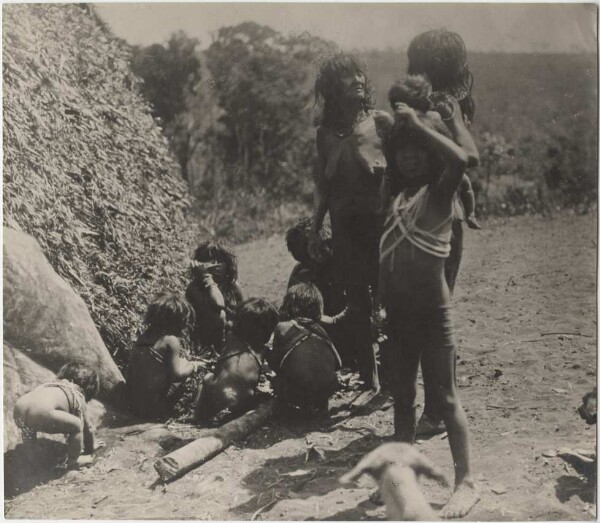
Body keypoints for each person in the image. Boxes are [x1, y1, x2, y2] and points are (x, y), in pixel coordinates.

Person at [379, 98, 479, 518]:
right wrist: (378, 308)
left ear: (432, 151)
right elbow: (383, 257)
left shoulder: (440, 195)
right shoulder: (396, 194)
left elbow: (462, 159)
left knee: (444, 395)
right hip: (398, 315)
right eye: (404, 149)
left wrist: (421, 126)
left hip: (433, 314)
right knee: (403, 398)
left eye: (420, 148)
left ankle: (466, 482)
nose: (412, 156)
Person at [404, 29, 481, 436]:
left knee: (422, 310)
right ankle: (436, 406)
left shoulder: (419, 107)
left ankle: (433, 406)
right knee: (438, 308)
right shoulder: (450, 109)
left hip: (415, 217)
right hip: (442, 218)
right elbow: (466, 161)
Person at [308, 53, 394, 392]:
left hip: (380, 224)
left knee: (387, 303)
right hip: (345, 229)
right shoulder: (324, 134)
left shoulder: (380, 122)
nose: (358, 80)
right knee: (357, 304)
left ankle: (392, 378)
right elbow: (323, 186)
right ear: (332, 87)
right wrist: (316, 228)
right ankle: (369, 377)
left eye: (360, 74)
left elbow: (405, 165)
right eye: (348, 76)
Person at [194, 298, 279, 422]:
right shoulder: (261, 350)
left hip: (216, 398)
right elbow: (275, 367)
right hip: (240, 402)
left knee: (208, 378)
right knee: (264, 396)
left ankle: (195, 413)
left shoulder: (230, 340)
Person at [267, 283, 344, 415]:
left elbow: (276, 363)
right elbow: (339, 364)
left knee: (277, 381)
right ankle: (320, 402)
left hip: (298, 391)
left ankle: (300, 405)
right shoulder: (320, 328)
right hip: (328, 388)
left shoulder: (282, 327)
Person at [285, 217, 350, 365]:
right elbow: (289, 312)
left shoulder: (345, 265)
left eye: (311, 260)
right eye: (305, 261)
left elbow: (360, 308)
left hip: (346, 330)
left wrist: (333, 320)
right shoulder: (302, 272)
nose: (310, 265)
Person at [126, 293, 202, 420]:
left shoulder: (145, 335)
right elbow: (177, 375)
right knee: (185, 369)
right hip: (153, 403)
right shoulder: (171, 341)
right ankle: (166, 413)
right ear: (177, 321)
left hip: (133, 399)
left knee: (182, 362)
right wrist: (194, 366)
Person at [13, 362, 100, 468]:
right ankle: (73, 461)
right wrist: (91, 448)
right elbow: (88, 428)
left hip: (19, 408)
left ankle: (31, 456)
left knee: (28, 428)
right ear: (86, 388)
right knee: (77, 425)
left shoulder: (50, 385)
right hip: (42, 412)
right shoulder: (78, 394)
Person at [185, 241, 244, 354]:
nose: (215, 266)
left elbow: (242, 313)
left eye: (219, 261)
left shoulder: (232, 286)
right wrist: (206, 278)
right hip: (206, 343)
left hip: (231, 341)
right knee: (220, 315)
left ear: (227, 264)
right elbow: (218, 304)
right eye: (210, 262)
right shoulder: (195, 288)